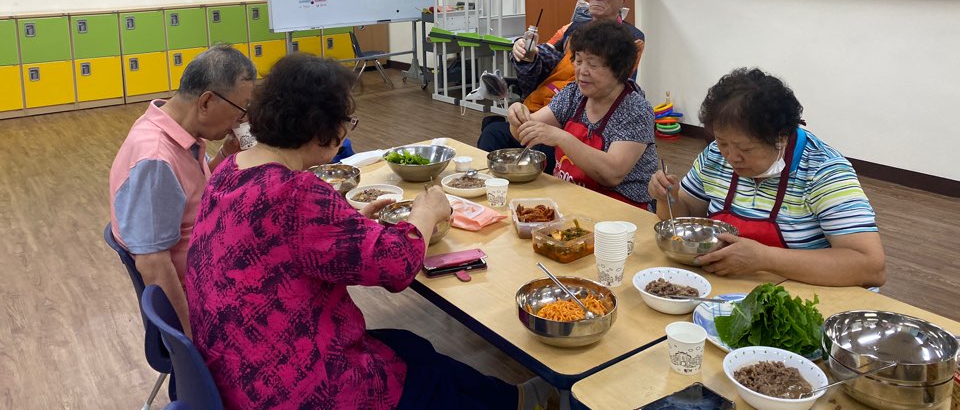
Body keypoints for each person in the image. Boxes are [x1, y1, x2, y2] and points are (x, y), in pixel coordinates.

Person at [186, 54, 555, 410]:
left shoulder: (232, 169)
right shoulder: (295, 193)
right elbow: (396, 266)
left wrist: (344, 218)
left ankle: (517, 400)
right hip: (293, 386)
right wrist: (425, 214)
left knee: (409, 347)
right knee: (424, 381)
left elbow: (282, 243)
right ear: (320, 128)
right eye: (346, 121)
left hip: (237, 368)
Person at [648, 68, 886, 288]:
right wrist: (668, 197)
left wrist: (764, 258)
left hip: (805, 298)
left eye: (746, 149)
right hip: (728, 288)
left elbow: (870, 267)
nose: (731, 157)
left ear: (781, 138)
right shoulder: (715, 156)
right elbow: (688, 216)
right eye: (722, 143)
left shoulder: (823, 171)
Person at [108, 44, 256, 336]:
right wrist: (190, 344)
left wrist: (226, 153)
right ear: (206, 102)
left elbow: (188, 194)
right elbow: (153, 264)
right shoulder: (156, 158)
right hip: (202, 300)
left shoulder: (172, 126)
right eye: (240, 110)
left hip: (211, 270)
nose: (240, 122)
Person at [478, 0, 645, 168]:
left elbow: (615, 88)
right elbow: (545, 56)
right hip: (549, 106)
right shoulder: (571, 29)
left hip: (577, 117)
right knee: (494, 132)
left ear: (623, 0)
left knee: (545, 149)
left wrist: (560, 130)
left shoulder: (631, 40)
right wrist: (526, 52)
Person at [507, 20, 657, 208]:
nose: (582, 71)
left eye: (593, 65)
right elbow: (522, 132)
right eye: (578, 61)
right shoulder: (573, 94)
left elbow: (612, 173)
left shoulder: (636, 110)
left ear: (618, 69)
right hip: (572, 197)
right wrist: (517, 116)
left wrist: (561, 137)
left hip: (621, 210)